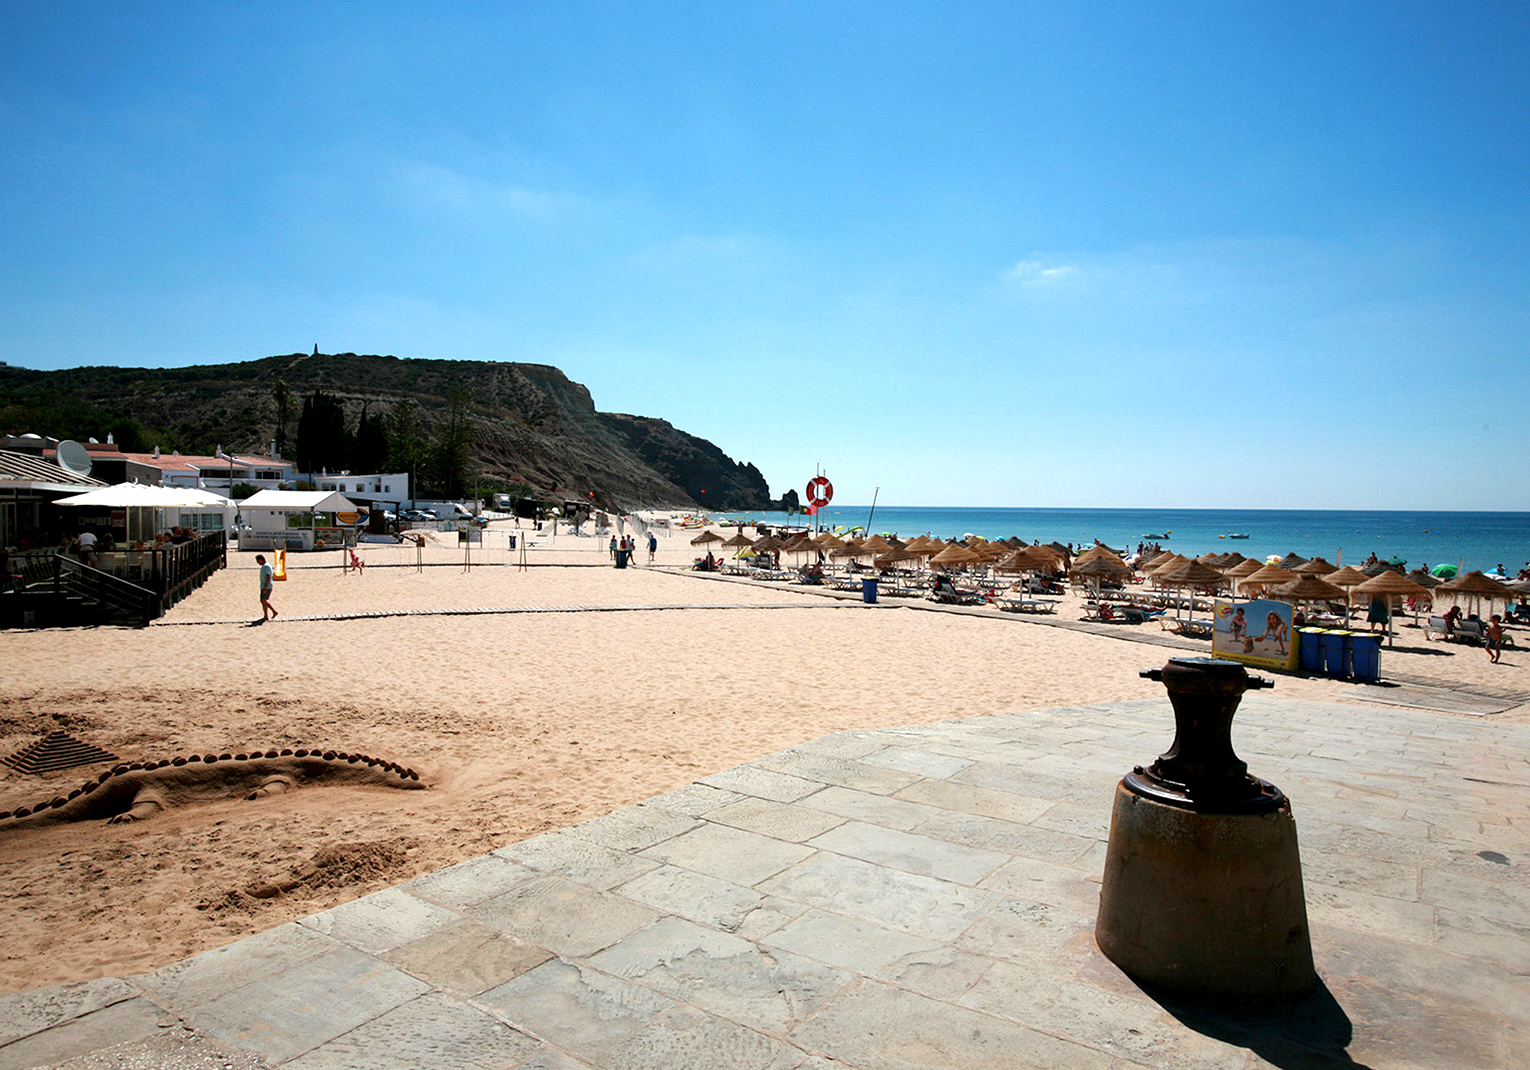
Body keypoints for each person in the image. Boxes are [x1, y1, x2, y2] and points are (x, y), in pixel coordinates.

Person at [255, 554, 277, 621]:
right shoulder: (265, 566)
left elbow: (268, 577)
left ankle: (268, 615)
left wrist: (265, 587)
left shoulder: (266, 566)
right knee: (263, 600)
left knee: (263, 600)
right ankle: (271, 613)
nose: (258, 563)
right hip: (265, 586)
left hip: (266, 586)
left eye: (258, 561)